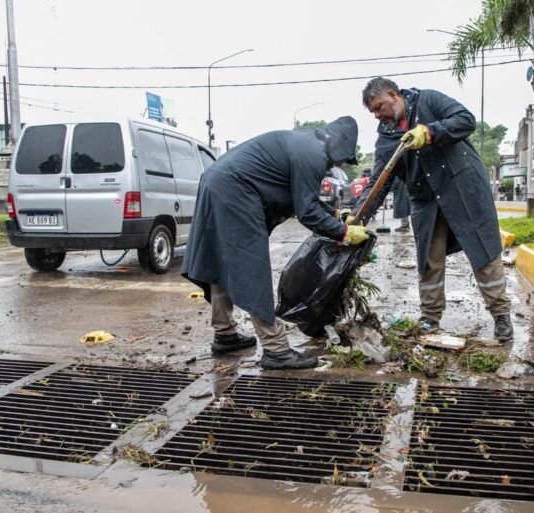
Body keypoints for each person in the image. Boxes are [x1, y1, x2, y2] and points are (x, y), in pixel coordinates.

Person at [182, 116, 370, 370]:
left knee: (221, 263)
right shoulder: (313, 155)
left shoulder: (304, 144)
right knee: (252, 268)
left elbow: (301, 196)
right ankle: (276, 349)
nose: (337, 164)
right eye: (341, 159)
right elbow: (307, 212)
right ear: (338, 146)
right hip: (235, 191)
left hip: (217, 182)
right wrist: (344, 233)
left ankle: (224, 334)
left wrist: (335, 215)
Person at [353, 77, 513, 341]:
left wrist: (429, 132)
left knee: (483, 253)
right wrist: (358, 216)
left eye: (379, 107)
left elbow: (465, 120)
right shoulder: (386, 139)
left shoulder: (429, 100)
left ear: (393, 95)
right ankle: (429, 318)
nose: (377, 115)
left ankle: (501, 316)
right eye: (372, 112)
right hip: (426, 202)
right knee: (428, 261)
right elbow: (378, 182)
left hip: (463, 191)